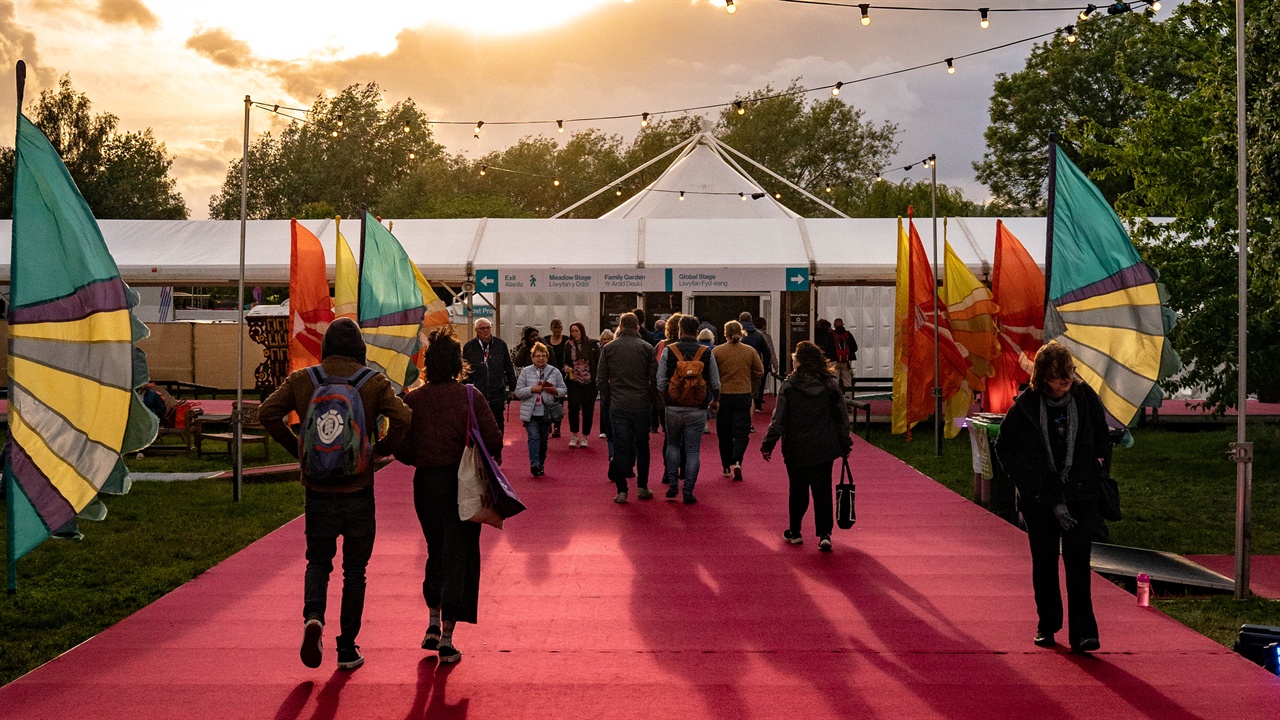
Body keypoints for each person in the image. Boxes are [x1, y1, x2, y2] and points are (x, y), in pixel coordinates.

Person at [259, 318, 412, 671]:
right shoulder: (372, 381)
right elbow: (403, 416)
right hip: (358, 490)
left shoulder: (304, 379)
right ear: (359, 347)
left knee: (318, 562)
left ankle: (314, 618)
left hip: (317, 492)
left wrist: (299, 449)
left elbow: (267, 413)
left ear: (326, 345)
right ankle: (347, 648)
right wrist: (377, 451)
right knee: (355, 570)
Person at [395, 328, 503, 665]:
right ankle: (447, 636)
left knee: (434, 548)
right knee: (459, 553)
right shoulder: (470, 396)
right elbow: (495, 440)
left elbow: (402, 447)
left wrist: (422, 459)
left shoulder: (414, 400)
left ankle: (430, 620)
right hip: (464, 483)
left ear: (427, 365)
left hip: (427, 483)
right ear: (459, 363)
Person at [995, 342, 1110, 654]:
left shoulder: (1085, 397)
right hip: (1041, 498)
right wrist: (1024, 480)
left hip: (1080, 493)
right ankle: (1047, 625)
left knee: (1077, 560)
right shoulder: (1026, 405)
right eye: (1059, 378)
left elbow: (1102, 435)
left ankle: (1084, 633)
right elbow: (1003, 445)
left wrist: (1097, 464)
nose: (1066, 382)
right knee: (1044, 562)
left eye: (1069, 375)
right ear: (1043, 378)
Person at [760, 340, 851, 553]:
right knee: (822, 490)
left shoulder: (790, 386)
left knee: (797, 490)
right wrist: (845, 442)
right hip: (824, 445)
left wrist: (769, 443)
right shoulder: (829, 384)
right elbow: (841, 417)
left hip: (796, 445)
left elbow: (779, 418)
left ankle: (795, 531)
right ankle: (824, 534)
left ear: (798, 361)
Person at [657, 314, 720, 504]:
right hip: (697, 409)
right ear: (697, 332)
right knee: (693, 450)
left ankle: (673, 484)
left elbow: (660, 383)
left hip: (673, 408)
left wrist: (667, 399)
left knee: (673, 445)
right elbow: (715, 382)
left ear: (679, 330)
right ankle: (688, 490)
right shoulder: (706, 352)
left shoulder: (669, 351)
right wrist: (715, 401)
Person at [596, 312, 656, 504]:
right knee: (642, 445)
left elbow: (601, 378)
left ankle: (622, 490)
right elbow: (654, 378)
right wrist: (650, 398)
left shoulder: (609, 348)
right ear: (638, 326)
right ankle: (642, 487)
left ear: (620, 327)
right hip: (641, 403)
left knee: (621, 447)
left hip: (618, 403)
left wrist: (608, 397)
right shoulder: (647, 348)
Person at [713, 320, 763, 481]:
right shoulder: (749, 351)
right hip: (743, 393)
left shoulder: (718, 351)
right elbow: (759, 371)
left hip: (724, 395)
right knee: (742, 430)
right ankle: (737, 460)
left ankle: (726, 465)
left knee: (724, 431)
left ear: (725, 333)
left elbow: (711, 374)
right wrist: (748, 378)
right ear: (741, 333)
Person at [514, 342, 567, 477]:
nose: (541, 358)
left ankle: (541, 464)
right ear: (532, 358)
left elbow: (564, 390)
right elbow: (518, 392)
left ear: (547, 357)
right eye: (538, 356)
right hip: (530, 412)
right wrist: (532, 389)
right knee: (533, 437)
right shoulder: (525, 372)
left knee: (543, 440)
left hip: (546, 412)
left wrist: (555, 391)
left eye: (543, 356)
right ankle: (534, 463)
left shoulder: (554, 372)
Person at [461, 317, 516, 440]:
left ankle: (497, 452)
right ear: (476, 330)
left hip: (497, 393)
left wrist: (513, 386)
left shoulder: (500, 344)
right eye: (482, 328)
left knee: (497, 423)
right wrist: (466, 388)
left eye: (488, 328)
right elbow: (465, 371)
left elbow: (508, 366)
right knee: (478, 424)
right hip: (477, 393)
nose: (486, 331)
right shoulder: (469, 347)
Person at [564, 322, 601, 448]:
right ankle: (574, 434)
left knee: (588, 409)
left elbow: (598, 362)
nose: (574, 334)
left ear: (582, 331)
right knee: (573, 408)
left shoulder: (592, 345)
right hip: (574, 382)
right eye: (572, 331)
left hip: (589, 383)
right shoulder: (568, 345)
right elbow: (565, 362)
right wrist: (567, 368)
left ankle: (585, 436)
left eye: (576, 331)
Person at [738, 312, 772, 413]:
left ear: (739, 320)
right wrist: (764, 366)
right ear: (751, 320)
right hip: (754, 364)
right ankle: (755, 405)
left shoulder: (736, 334)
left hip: (739, 365)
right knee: (754, 389)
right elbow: (767, 352)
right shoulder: (759, 335)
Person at [545, 319, 569, 438]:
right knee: (546, 399)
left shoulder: (566, 340)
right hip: (547, 374)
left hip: (561, 374)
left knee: (559, 400)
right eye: (555, 328)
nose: (557, 330)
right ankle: (547, 423)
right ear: (551, 328)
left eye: (559, 328)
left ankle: (557, 427)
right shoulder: (545, 340)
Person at [830, 318, 858, 395]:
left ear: (834, 325)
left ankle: (835, 401)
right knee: (847, 382)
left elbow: (828, 348)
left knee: (834, 382)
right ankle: (849, 401)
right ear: (842, 324)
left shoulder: (831, 335)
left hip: (834, 361)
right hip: (846, 362)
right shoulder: (848, 334)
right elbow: (855, 347)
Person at [598, 329, 615, 453]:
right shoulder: (600, 350)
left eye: (608, 339)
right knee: (604, 407)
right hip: (605, 386)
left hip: (612, 385)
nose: (606, 341)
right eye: (604, 339)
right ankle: (603, 430)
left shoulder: (613, 350)